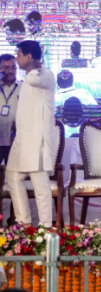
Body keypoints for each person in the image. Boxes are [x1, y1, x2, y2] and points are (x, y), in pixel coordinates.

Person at [7, 40, 55, 227]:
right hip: (22, 139)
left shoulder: (45, 74)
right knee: (13, 175)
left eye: (19, 55)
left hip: (37, 140)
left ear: (29, 56)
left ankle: (45, 227)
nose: (16, 58)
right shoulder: (28, 76)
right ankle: (24, 223)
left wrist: (33, 67)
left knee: (39, 182)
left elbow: (35, 80)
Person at [0, 54, 20, 164]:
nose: (10, 71)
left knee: (14, 173)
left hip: (16, 142)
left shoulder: (24, 88)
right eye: (6, 68)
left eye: (13, 67)